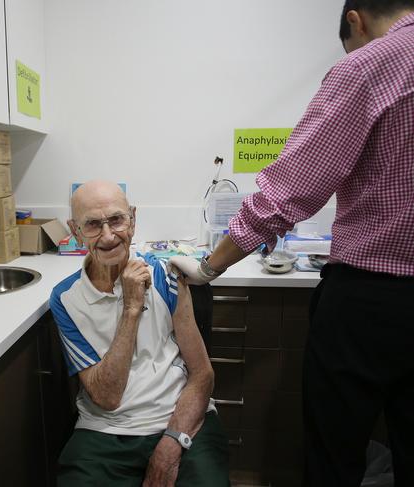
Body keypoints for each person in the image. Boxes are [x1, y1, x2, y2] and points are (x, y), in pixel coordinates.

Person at [171, 1, 414, 486]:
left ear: (355, 19)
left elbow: (288, 192)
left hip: (373, 303)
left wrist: (209, 267)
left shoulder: (371, 65)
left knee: (335, 453)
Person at [49, 180, 229, 487]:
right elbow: (106, 397)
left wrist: (172, 442)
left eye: (117, 220)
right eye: (92, 225)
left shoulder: (166, 278)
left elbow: (202, 376)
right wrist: (132, 307)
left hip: (179, 418)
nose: (108, 236)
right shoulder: (66, 299)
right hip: (105, 430)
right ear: (76, 231)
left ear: (133, 218)